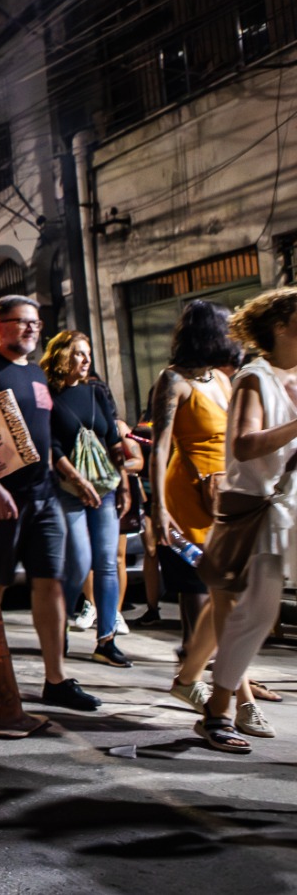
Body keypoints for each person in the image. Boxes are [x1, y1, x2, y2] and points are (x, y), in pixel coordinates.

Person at [0, 295, 100, 711]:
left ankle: (56, 678)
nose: (32, 329)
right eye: (22, 322)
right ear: (1, 325)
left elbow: (46, 438)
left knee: (49, 581)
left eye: (36, 322)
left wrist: (72, 477)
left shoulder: (36, 374)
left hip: (43, 494)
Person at [195, 287, 297, 752]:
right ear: (280, 326)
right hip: (261, 509)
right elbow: (244, 445)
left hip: (290, 505)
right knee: (256, 613)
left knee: (256, 612)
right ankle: (218, 710)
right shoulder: (255, 378)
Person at [150, 301, 263, 711]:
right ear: (210, 333)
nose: (235, 336)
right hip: (188, 494)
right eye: (228, 328)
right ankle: (231, 690)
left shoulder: (221, 379)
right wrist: (157, 509)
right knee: (216, 592)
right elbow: (159, 450)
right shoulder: (173, 381)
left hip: (225, 493)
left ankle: (204, 675)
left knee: (229, 593)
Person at [42, 330, 136, 667]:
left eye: (88, 354)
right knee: (79, 562)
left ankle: (106, 639)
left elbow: (112, 438)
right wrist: (77, 479)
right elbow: (50, 444)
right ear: (62, 356)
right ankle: (60, 626)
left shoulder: (95, 391)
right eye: (79, 353)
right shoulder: (49, 394)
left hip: (105, 489)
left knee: (107, 563)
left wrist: (124, 484)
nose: (85, 360)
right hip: (68, 490)